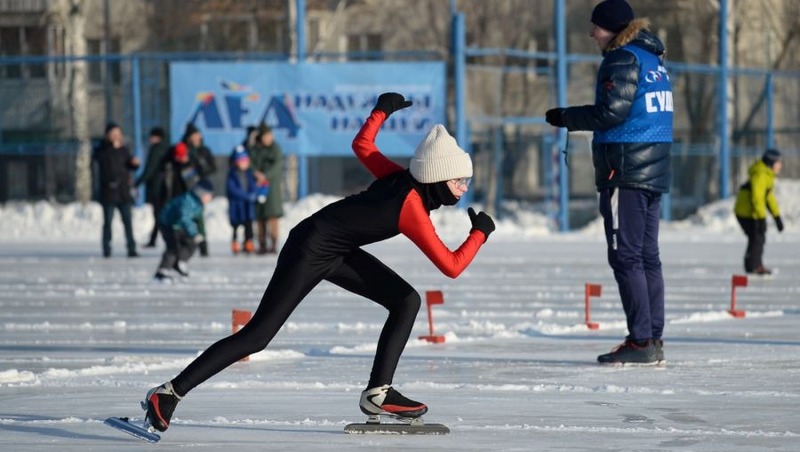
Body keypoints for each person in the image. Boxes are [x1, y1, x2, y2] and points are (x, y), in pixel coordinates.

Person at [142, 93, 495, 433]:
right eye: (459, 180)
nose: (464, 188)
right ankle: (168, 394)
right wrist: (479, 233)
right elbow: (451, 265)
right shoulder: (411, 207)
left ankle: (378, 393)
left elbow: (363, 146)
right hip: (309, 248)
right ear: (436, 176)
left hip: (336, 249)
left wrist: (381, 111)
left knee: (406, 300)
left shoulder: (400, 178)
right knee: (257, 336)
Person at [544, 0, 672, 365]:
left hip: (626, 169)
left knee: (626, 255)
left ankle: (641, 341)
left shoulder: (621, 58)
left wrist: (566, 116)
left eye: (596, 27)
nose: (591, 33)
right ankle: (653, 338)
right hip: (652, 167)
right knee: (647, 256)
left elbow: (611, 113)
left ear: (613, 29)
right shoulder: (653, 60)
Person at [93, 121, 141, 258]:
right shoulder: (102, 149)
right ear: (107, 135)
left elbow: (129, 165)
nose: (116, 136)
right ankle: (106, 248)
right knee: (107, 222)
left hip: (123, 192)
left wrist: (134, 163)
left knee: (128, 222)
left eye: (118, 134)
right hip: (109, 192)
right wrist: (111, 148)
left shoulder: (123, 149)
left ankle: (131, 248)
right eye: (113, 134)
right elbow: (101, 162)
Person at [733, 149, 784, 275]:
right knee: (757, 236)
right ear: (771, 162)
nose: (780, 165)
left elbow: (768, 197)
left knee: (757, 236)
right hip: (745, 212)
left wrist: (777, 217)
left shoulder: (767, 175)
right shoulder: (761, 175)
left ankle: (753, 264)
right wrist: (761, 218)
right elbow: (757, 198)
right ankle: (753, 265)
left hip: (749, 211)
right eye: (778, 162)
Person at [153, 179, 214, 282]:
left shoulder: (198, 203)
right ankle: (162, 271)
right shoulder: (187, 200)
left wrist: (201, 236)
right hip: (168, 224)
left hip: (179, 226)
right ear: (201, 193)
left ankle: (179, 263)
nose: (210, 198)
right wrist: (194, 233)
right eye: (208, 195)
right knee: (173, 247)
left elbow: (198, 221)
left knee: (192, 243)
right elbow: (184, 218)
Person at [250, 123, 284, 254]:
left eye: (270, 135)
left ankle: (274, 244)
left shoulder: (275, 148)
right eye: (267, 135)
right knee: (260, 216)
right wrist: (256, 174)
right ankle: (262, 243)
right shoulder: (255, 149)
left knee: (272, 216)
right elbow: (250, 163)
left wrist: (265, 175)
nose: (269, 138)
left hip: (272, 187)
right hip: (258, 186)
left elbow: (277, 165)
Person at [183, 123, 216, 256]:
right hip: (186, 187)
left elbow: (213, 167)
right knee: (185, 216)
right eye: (194, 135)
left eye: (198, 135)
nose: (197, 138)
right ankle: (185, 245)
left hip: (201, 187)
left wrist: (202, 167)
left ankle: (203, 246)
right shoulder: (185, 149)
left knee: (199, 216)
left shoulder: (204, 150)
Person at [135, 127, 170, 248]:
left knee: (159, 215)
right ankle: (154, 240)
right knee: (159, 214)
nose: (150, 138)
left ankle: (168, 240)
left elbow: (150, 169)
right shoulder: (165, 148)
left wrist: (138, 182)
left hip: (157, 186)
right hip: (163, 186)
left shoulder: (156, 150)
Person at [226, 147, 259, 254]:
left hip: (247, 205)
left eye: (246, 161)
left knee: (248, 225)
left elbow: (253, 185)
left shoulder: (249, 173)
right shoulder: (232, 174)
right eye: (242, 161)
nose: (244, 164)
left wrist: (254, 193)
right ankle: (235, 243)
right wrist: (246, 195)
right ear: (236, 162)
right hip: (237, 205)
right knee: (236, 226)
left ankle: (248, 243)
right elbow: (232, 189)